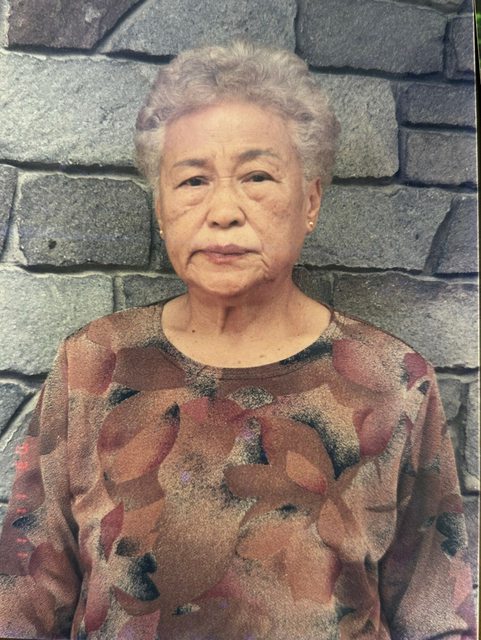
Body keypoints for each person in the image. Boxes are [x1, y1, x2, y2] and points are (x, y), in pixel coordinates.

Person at [0, 41, 475, 640]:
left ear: (310, 201)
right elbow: (24, 600)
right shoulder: (93, 366)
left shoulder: (393, 381)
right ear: (161, 209)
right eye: (193, 180)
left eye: (257, 176)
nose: (223, 210)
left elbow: (437, 614)